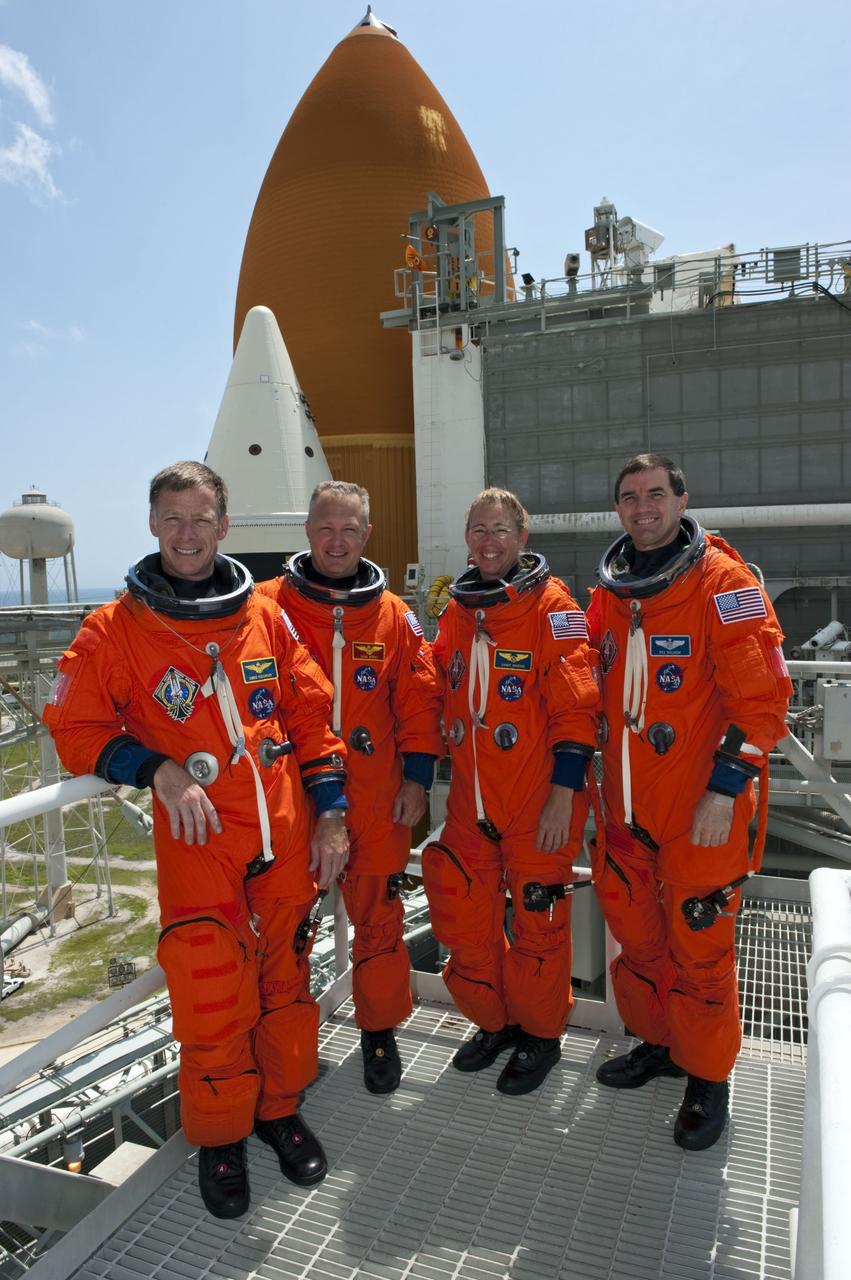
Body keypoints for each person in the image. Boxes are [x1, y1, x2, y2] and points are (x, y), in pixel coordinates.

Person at [43, 461, 350, 1218]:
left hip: (282, 831)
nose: (187, 532)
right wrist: (156, 770)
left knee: (285, 982)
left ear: (225, 525)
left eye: (202, 517)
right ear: (152, 523)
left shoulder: (266, 618)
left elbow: (311, 717)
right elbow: (75, 727)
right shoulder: (115, 630)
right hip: (198, 840)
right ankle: (219, 1138)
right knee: (212, 992)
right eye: (173, 517)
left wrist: (334, 814)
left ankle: (278, 1111)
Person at [587, 453, 791, 1151]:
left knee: (700, 955)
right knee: (640, 943)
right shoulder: (609, 593)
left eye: (653, 495)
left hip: (699, 811)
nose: (640, 508)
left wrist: (723, 789)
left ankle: (707, 1078)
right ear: (616, 510)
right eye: (627, 498)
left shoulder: (724, 585)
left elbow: (763, 704)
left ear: (680, 500)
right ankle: (659, 1044)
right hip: (623, 809)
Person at [257, 481, 443, 1093]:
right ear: (308, 532)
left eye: (350, 530)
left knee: (381, 922)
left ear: (367, 535)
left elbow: (417, 704)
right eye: (325, 528)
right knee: (290, 934)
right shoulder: (265, 606)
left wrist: (417, 781)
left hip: (376, 797)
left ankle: (380, 1031)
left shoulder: (392, 615)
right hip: (290, 800)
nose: (337, 541)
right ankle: (290, 1058)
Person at [422, 488, 599, 1096]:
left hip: (536, 806)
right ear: (467, 539)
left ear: (523, 539)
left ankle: (541, 1035)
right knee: (467, 924)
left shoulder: (553, 608)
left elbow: (578, 714)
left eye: (501, 530)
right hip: (472, 805)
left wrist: (561, 798)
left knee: (539, 930)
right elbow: (437, 684)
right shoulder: (458, 611)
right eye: (479, 530)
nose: (489, 541)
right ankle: (495, 1021)